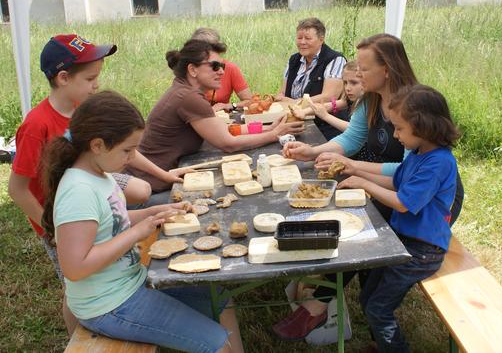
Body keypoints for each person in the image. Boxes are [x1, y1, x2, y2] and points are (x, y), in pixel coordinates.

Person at [274, 34, 464, 340]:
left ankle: (320, 302)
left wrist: (357, 170)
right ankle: (332, 299)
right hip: (397, 188)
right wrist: (312, 152)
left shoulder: (413, 109)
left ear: (386, 69)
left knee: (362, 229)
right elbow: (352, 140)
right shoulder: (371, 101)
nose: (357, 74)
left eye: (363, 68)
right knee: (358, 224)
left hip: (426, 203)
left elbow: (405, 175)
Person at [40, 91, 243, 352]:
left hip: (129, 284)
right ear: (97, 145)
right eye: (127, 150)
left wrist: (156, 213)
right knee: (218, 344)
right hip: (109, 305)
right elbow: (75, 267)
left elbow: (113, 221)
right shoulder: (78, 191)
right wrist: (137, 233)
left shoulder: (100, 174)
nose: (132, 157)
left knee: (219, 299)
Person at [7, 34, 183, 335]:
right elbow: (17, 189)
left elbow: (127, 148)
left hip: (93, 196)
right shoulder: (36, 125)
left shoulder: (83, 110)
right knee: (74, 284)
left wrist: (164, 175)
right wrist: (51, 228)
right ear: (63, 78)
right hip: (62, 219)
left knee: (140, 192)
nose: (96, 85)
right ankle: (82, 336)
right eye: (90, 78)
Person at [340, 84, 459, 352]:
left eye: (399, 129)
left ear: (424, 126)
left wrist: (364, 183)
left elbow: (403, 203)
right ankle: (383, 345)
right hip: (402, 240)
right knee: (368, 296)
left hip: (422, 250)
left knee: (379, 309)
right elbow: (395, 180)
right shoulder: (419, 153)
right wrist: (354, 171)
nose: (395, 134)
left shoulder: (438, 163)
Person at [127, 39, 304, 203]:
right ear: (192, 70)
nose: (221, 71)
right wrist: (273, 135)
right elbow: (228, 144)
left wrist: (267, 129)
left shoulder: (184, 90)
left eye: (222, 66)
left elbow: (225, 130)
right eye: (215, 66)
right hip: (153, 190)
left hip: (154, 181)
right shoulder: (189, 97)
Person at [276, 17, 347, 140]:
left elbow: (329, 97)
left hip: (325, 126)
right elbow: (283, 93)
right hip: (295, 122)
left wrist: (294, 103)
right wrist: (281, 99)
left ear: (321, 39)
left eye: (308, 38)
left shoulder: (335, 59)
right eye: (299, 38)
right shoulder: (294, 60)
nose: (302, 42)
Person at [192, 28, 254, 112]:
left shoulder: (230, 68)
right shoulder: (190, 70)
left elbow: (250, 101)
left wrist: (227, 106)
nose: (221, 72)